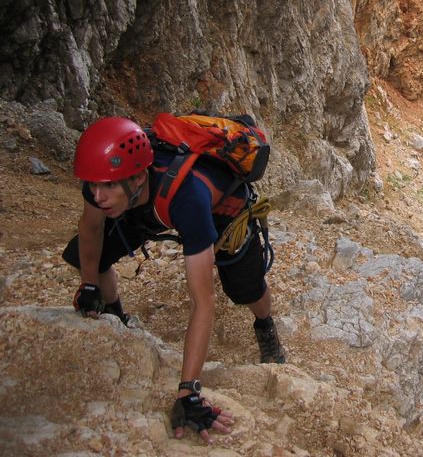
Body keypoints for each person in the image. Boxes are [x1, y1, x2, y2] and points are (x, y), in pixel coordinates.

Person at [62, 116, 286, 443]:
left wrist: (189, 393)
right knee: (86, 256)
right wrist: (88, 285)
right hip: (145, 205)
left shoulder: (188, 198)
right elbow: (91, 229)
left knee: (245, 289)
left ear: (138, 177)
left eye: (107, 185)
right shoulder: (109, 184)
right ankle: (115, 314)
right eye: (93, 185)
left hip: (224, 211)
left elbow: (202, 303)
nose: (98, 195)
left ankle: (265, 326)